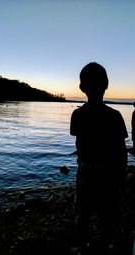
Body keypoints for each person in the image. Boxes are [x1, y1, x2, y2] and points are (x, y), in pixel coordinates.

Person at [70, 62, 128, 254]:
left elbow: (79, 144)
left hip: (85, 170)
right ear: (106, 85)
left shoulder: (77, 115)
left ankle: (83, 245)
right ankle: (104, 245)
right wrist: (121, 176)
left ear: (81, 87)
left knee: (83, 213)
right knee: (107, 214)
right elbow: (121, 150)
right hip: (109, 171)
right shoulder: (115, 115)